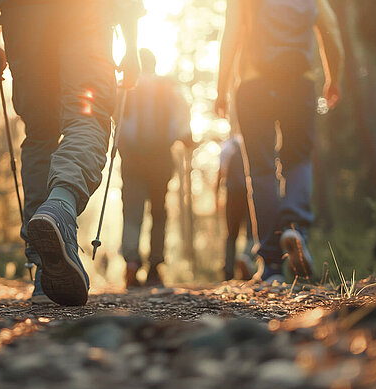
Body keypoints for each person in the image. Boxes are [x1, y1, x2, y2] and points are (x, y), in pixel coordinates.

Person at [0, 0, 144, 306]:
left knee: (39, 135)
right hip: (86, 16)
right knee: (87, 116)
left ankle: (43, 272)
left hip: (23, 21)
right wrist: (131, 41)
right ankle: (60, 205)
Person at [215, 0, 343, 283]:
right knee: (298, 159)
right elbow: (330, 29)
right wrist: (333, 78)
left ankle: (272, 265)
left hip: (253, 85)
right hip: (298, 83)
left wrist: (221, 88)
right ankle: (294, 228)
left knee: (260, 171)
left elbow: (232, 34)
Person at [118, 49, 191, 289]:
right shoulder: (167, 87)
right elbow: (182, 118)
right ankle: (155, 266)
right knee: (158, 212)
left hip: (132, 157)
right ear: (154, 63)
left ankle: (130, 261)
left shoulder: (125, 88)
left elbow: (115, 118)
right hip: (160, 155)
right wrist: (182, 138)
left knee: (132, 210)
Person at [217, 135, 254, 281]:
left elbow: (221, 173)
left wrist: (216, 195)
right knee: (251, 232)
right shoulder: (253, 143)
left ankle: (228, 270)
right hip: (249, 193)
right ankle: (247, 258)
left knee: (231, 233)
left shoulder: (226, 146)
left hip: (232, 194)